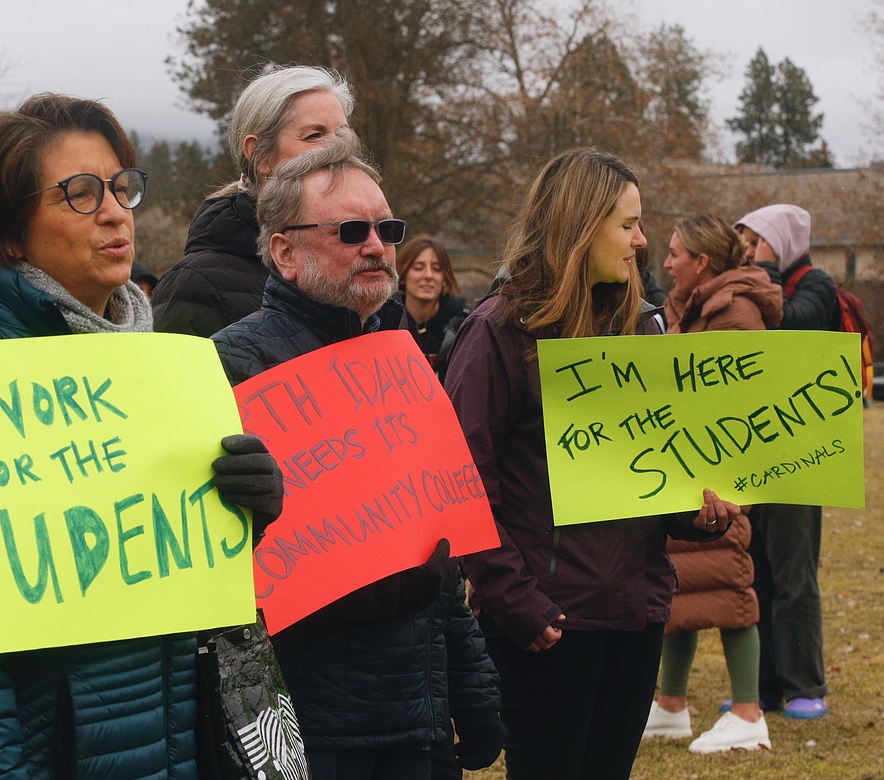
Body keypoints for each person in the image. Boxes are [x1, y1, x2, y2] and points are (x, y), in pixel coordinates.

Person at [0, 93, 283, 779]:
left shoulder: (157, 366)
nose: (117, 210)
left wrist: (243, 516)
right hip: (33, 749)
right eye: (81, 194)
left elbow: (166, 579)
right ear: (6, 232)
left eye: (121, 187)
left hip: (160, 735)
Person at [444, 148, 743, 780]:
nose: (641, 241)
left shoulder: (643, 330)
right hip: (546, 622)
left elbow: (658, 470)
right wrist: (514, 600)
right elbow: (463, 481)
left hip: (634, 613)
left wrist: (704, 512)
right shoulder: (497, 332)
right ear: (580, 226)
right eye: (628, 224)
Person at [212, 137, 504, 780]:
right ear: (284, 252)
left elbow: (436, 551)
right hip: (309, 724)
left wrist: (473, 688)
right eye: (351, 230)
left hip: (416, 714)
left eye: (386, 228)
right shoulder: (226, 369)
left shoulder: (399, 360)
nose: (376, 245)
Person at [642, 214, 783, 753]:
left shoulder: (735, 313)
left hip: (719, 476)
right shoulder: (692, 308)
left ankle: (748, 713)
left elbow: (737, 399)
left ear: (702, 262)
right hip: (688, 468)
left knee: (729, 585)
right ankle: (672, 704)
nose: (668, 261)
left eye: (677, 252)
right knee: (687, 584)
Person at [153, 64, 354, 336]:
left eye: (342, 134)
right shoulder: (198, 285)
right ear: (259, 154)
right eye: (315, 135)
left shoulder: (367, 261)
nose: (337, 149)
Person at [732, 203, 834, 720]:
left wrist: (762, 272)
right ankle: (768, 687)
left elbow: (784, 326)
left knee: (794, 576)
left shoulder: (817, 286)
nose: (749, 252)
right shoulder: (772, 280)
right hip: (763, 451)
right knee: (759, 572)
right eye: (745, 244)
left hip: (804, 455)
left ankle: (805, 684)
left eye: (758, 241)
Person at [395, 234, 470, 380]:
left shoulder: (463, 327)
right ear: (402, 275)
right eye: (418, 268)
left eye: (436, 269)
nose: (428, 275)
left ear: (444, 277)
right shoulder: (384, 323)